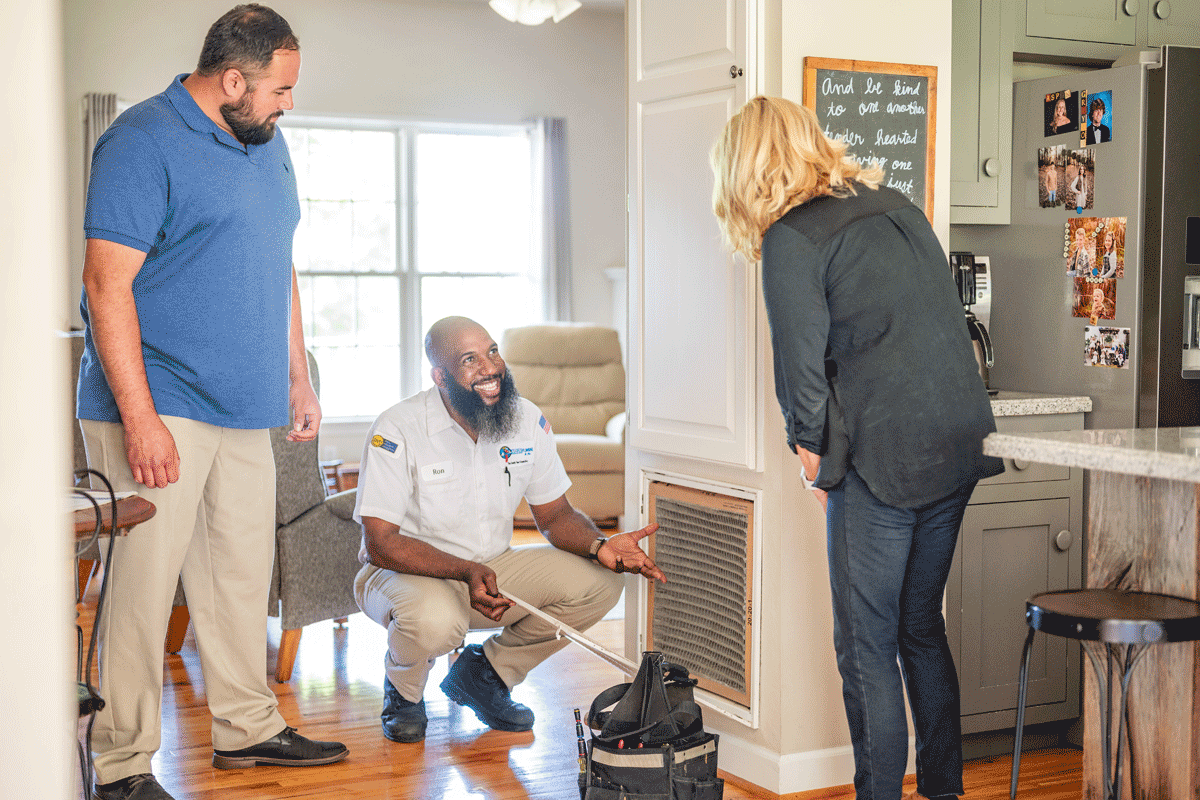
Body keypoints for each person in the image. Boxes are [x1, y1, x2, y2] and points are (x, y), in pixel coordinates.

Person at [77, 6, 347, 799]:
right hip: (158, 403)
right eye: (280, 89)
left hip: (246, 404)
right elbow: (105, 285)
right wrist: (141, 419)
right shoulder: (141, 141)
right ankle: (121, 764)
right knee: (139, 591)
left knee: (237, 576)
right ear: (233, 80)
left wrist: (296, 376)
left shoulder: (264, 143)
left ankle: (248, 729)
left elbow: (278, 262)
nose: (288, 104)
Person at [710, 96, 1003, 800]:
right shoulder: (897, 203)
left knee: (866, 646)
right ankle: (942, 790)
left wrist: (813, 460)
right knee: (918, 628)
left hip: (884, 460)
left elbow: (800, 375)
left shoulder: (792, 237)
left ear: (743, 170)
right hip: (960, 440)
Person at [352, 316, 667, 744]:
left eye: (492, 351)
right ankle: (404, 692)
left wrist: (601, 544)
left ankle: (488, 674)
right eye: (469, 360)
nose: (490, 367)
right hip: (404, 573)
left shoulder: (525, 420)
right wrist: (464, 571)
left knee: (601, 581)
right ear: (440, 377)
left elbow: (555, 517)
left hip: (491, 570)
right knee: (435, 621)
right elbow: (381, 545)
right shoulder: (397, 428)